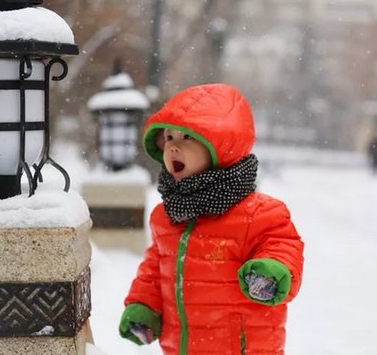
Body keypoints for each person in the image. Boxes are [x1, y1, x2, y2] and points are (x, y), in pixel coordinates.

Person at [118, 84, 304, 355]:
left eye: (186, 138)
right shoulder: (167, 215)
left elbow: (283, 247)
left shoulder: (258, 213)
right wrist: (145, 306)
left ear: (221, 146)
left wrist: (270, 272)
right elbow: (156, 268)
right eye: (168, 138)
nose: (173, 147)